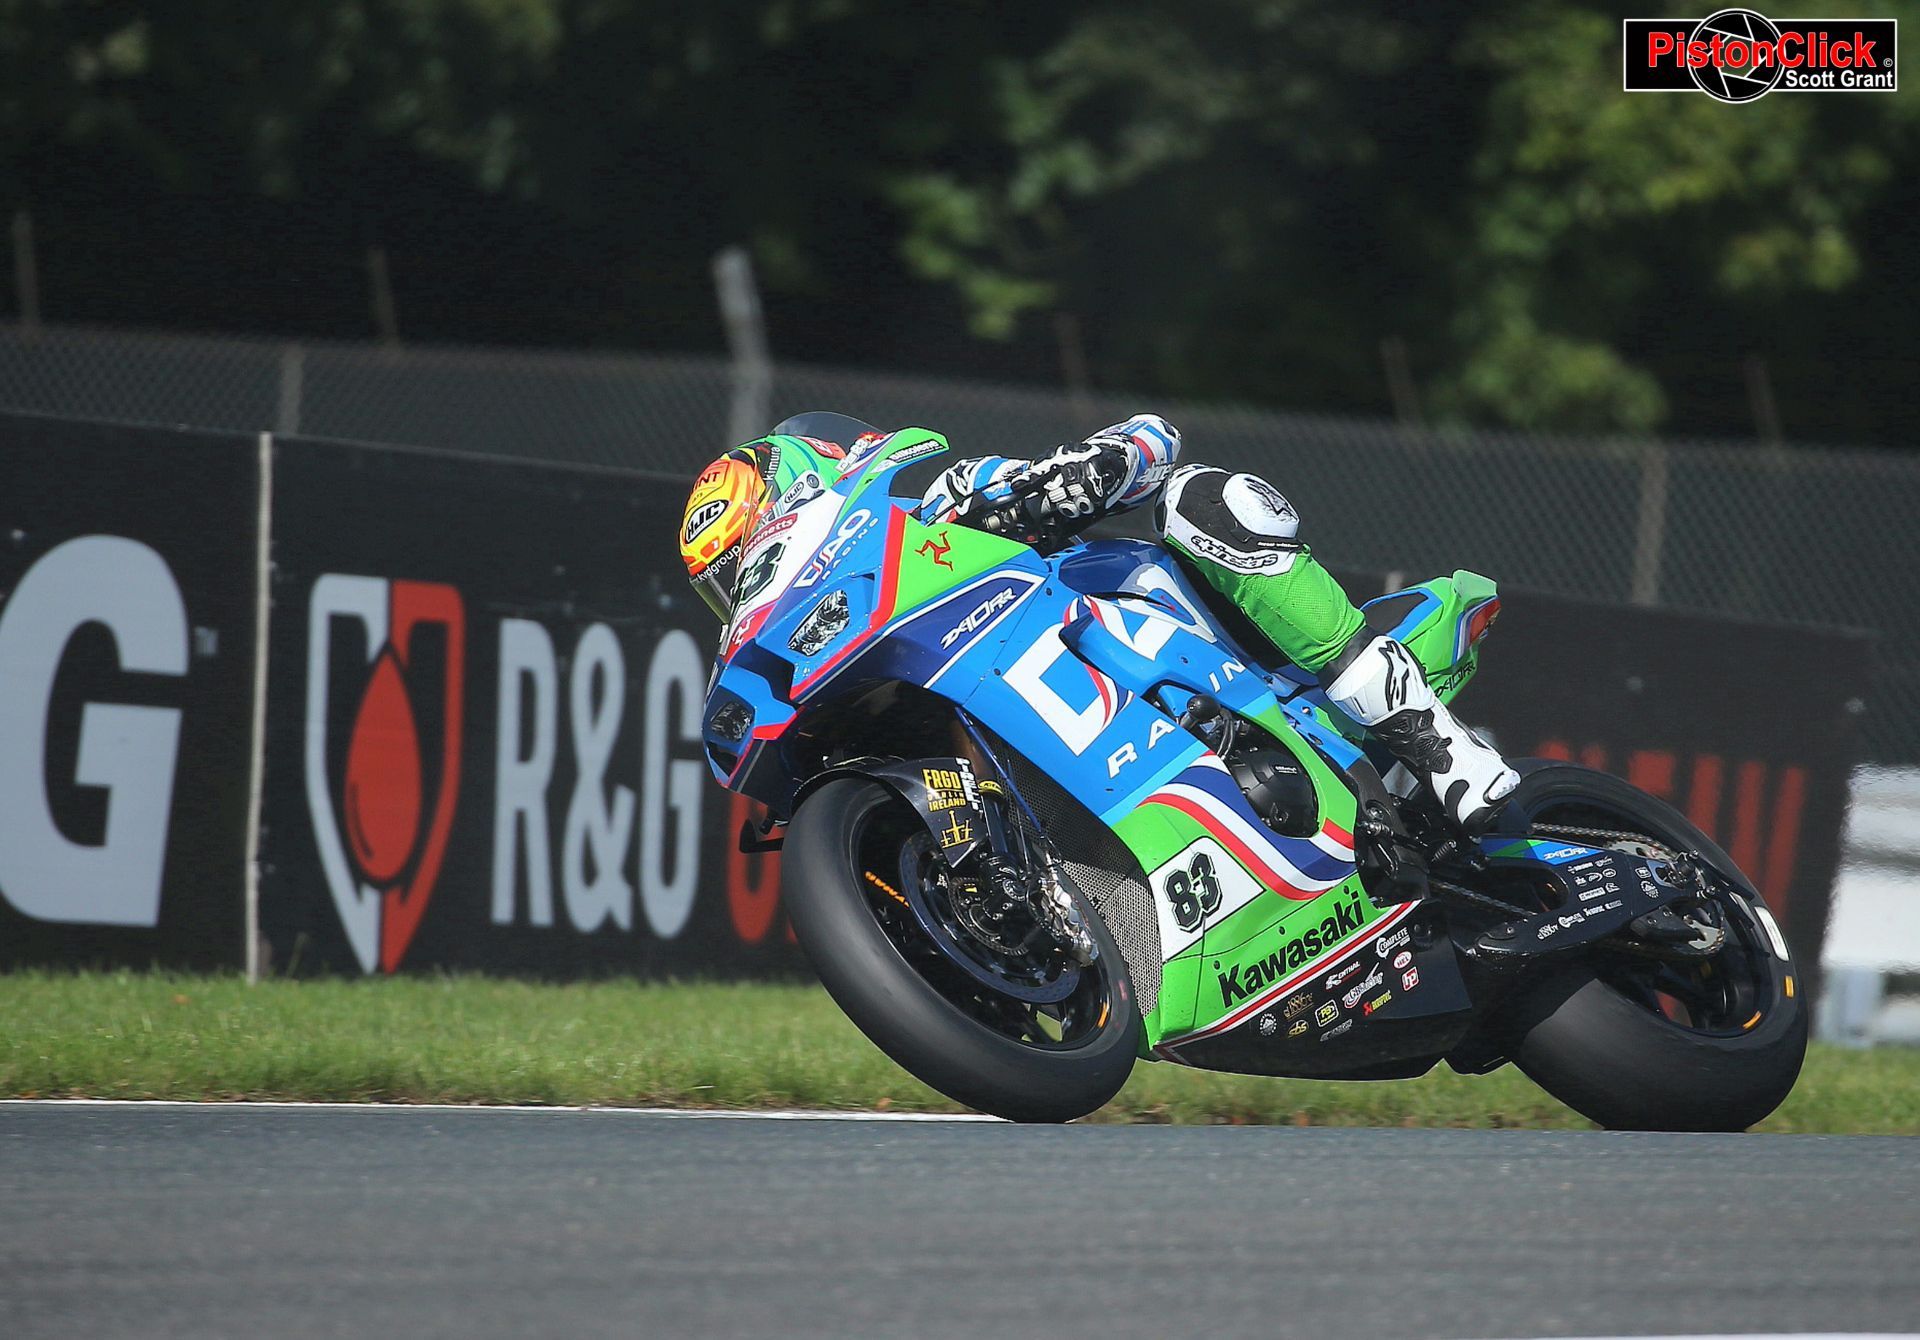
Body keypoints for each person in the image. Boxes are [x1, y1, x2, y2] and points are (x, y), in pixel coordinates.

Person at [679, 412, 1518, 835]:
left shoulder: (935, 506)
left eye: (745, 546)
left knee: (1204, 500)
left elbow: (1150, 440)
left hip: (1190, 648)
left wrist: (1084, 475)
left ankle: (1442, 748)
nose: (745, 576)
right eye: (725, 579)